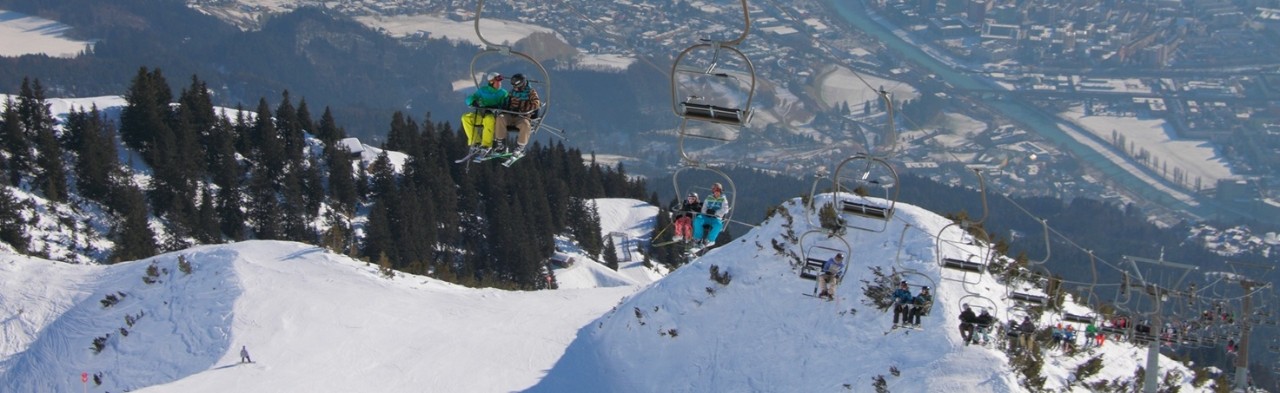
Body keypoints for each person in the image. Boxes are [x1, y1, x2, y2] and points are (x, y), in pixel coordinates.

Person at [494, 73, 541, 156]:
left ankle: (520, 147)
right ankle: (500, 144)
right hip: (510, 114)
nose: (515, 88)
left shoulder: (531, 92)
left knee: (525, 125)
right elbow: (506, 101)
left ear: (522, 84)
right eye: (513, 86)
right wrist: (502, 106)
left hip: (522, 116)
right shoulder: (512, 92)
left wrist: (523, 108)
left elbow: (536, 104)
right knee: (500, 118)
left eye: (516, 86)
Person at [461, 72, 509, 153]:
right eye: (497, 82)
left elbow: (506, 105)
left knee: (489, 119)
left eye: (500, 82)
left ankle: (486, 145)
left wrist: (499, 107)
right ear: (491, 82)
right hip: (482, 114)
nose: (499, 84)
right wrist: (473, 102)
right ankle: (476, 142)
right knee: (466, 118)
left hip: (494, 115)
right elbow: (470, 98)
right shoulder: (483, 90)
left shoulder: (503, 93)